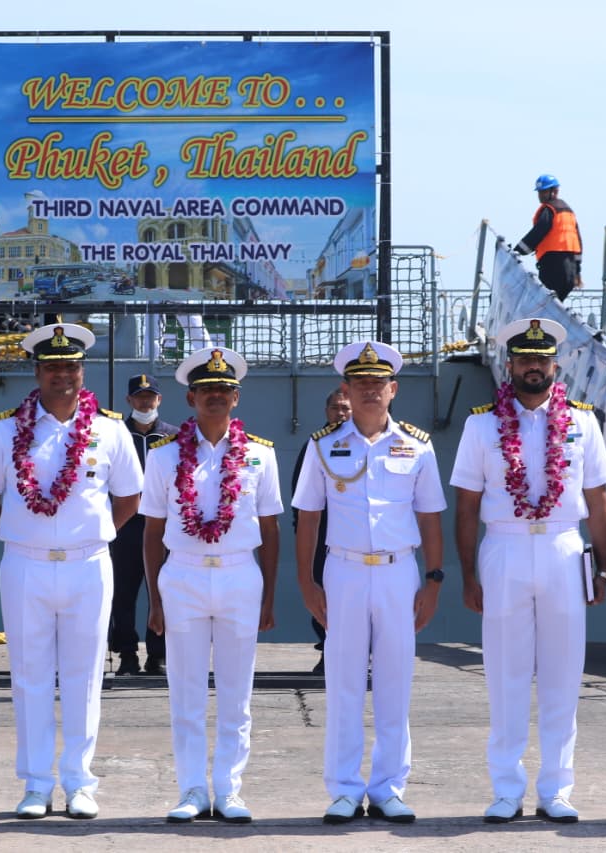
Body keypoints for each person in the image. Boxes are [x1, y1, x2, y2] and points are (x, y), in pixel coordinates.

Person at [0, 323, 141, 820]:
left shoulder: (109, 429)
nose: (62, 375)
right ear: (37, 372)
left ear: (81, 371)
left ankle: (80, 783)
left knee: (85, 676)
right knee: (30, 675)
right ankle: (37, 783)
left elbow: (129, 497)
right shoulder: (6, 429)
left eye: (70, 366)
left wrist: (94, 532)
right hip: (26, 566)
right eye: (52, 367)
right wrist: (26, 536)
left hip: (89, 563)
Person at [451, 317, 606, 825]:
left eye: (542, 360)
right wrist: (468, 574)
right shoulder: (481, 424)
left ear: (555, 365)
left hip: (566, 548)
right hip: (504, 548)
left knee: (565, 674)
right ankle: (505, 789)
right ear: (511, 364)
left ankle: (557, 788)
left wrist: (603, 570)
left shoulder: (584, 422)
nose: (534, 367)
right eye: (525, 359)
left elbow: (598, 498)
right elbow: (466, 504)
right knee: (505, 672)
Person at [293, 340, 446, 825]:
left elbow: (431, 518)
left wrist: (434, 580)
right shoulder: (324, 445)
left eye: (378, 384)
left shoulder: (417, 446)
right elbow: (308, 518)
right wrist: (307, 583)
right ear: (347, 390)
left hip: (400, 571)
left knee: (395, 679)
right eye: (360, 384)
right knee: (342, 680)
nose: (369, 392)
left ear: (393, 389)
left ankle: (387, 788)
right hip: (344, 570)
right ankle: (342, 788)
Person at [141, 346, 282, 824]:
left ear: (236, 398)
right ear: (191, 398)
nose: (215, 397)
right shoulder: (163, 457)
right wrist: (155, 599)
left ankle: (230, 789)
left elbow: (271, 528)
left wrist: (268, 593)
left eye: (224, 390)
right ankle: (192, 789)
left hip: (241, 574)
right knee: (185, 689)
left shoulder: (260, 454)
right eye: (207, 391)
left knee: (237, 691)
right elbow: (152, 531)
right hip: (182, 575)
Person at [109, 374, 176, 676]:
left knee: (162, 590)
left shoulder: (174, 437)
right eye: (139, 397)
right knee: (123, 591)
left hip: (163, 525)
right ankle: (126, 654)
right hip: (127, 525)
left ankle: (158, 654)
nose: (145, 402)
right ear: (129, 401)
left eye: (150, 397)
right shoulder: (116, 434)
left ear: (159, 400)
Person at [290, 387, 352, 674]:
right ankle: (329, 651)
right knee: (322, 598)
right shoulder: (315, 446)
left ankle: (358, 656)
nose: (340, 413)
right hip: (321, 538)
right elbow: (299, 497)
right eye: (335, 408)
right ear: (326, 412)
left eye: (345, 408)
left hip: (356, 541)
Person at [514, 174, 583, 301]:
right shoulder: (568, 212)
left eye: (544, 192)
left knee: (545, 302)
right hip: (570, 269)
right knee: (555, 302)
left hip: (553, 265)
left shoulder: (549, 210)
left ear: (554, 191)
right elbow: (578, 241)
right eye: (539, 192)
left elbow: (538, 231)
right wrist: (577, 271)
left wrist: (517, 251)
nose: (540, 195)